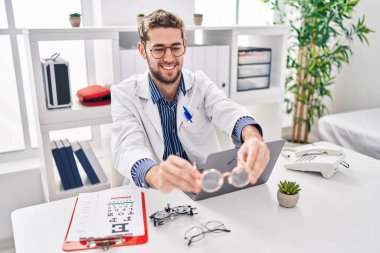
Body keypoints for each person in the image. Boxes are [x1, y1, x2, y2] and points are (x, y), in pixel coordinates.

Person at [111, 9, 270, 193]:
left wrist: (251, 136)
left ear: (185, 46)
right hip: (153, 190)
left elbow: (225, 108)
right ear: (142, 50)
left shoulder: (199, 83)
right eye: (159, 49)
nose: (169, 57)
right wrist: (155, 174)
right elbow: (127, 146)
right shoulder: (124, 94)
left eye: (175, 47)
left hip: (202, 187)